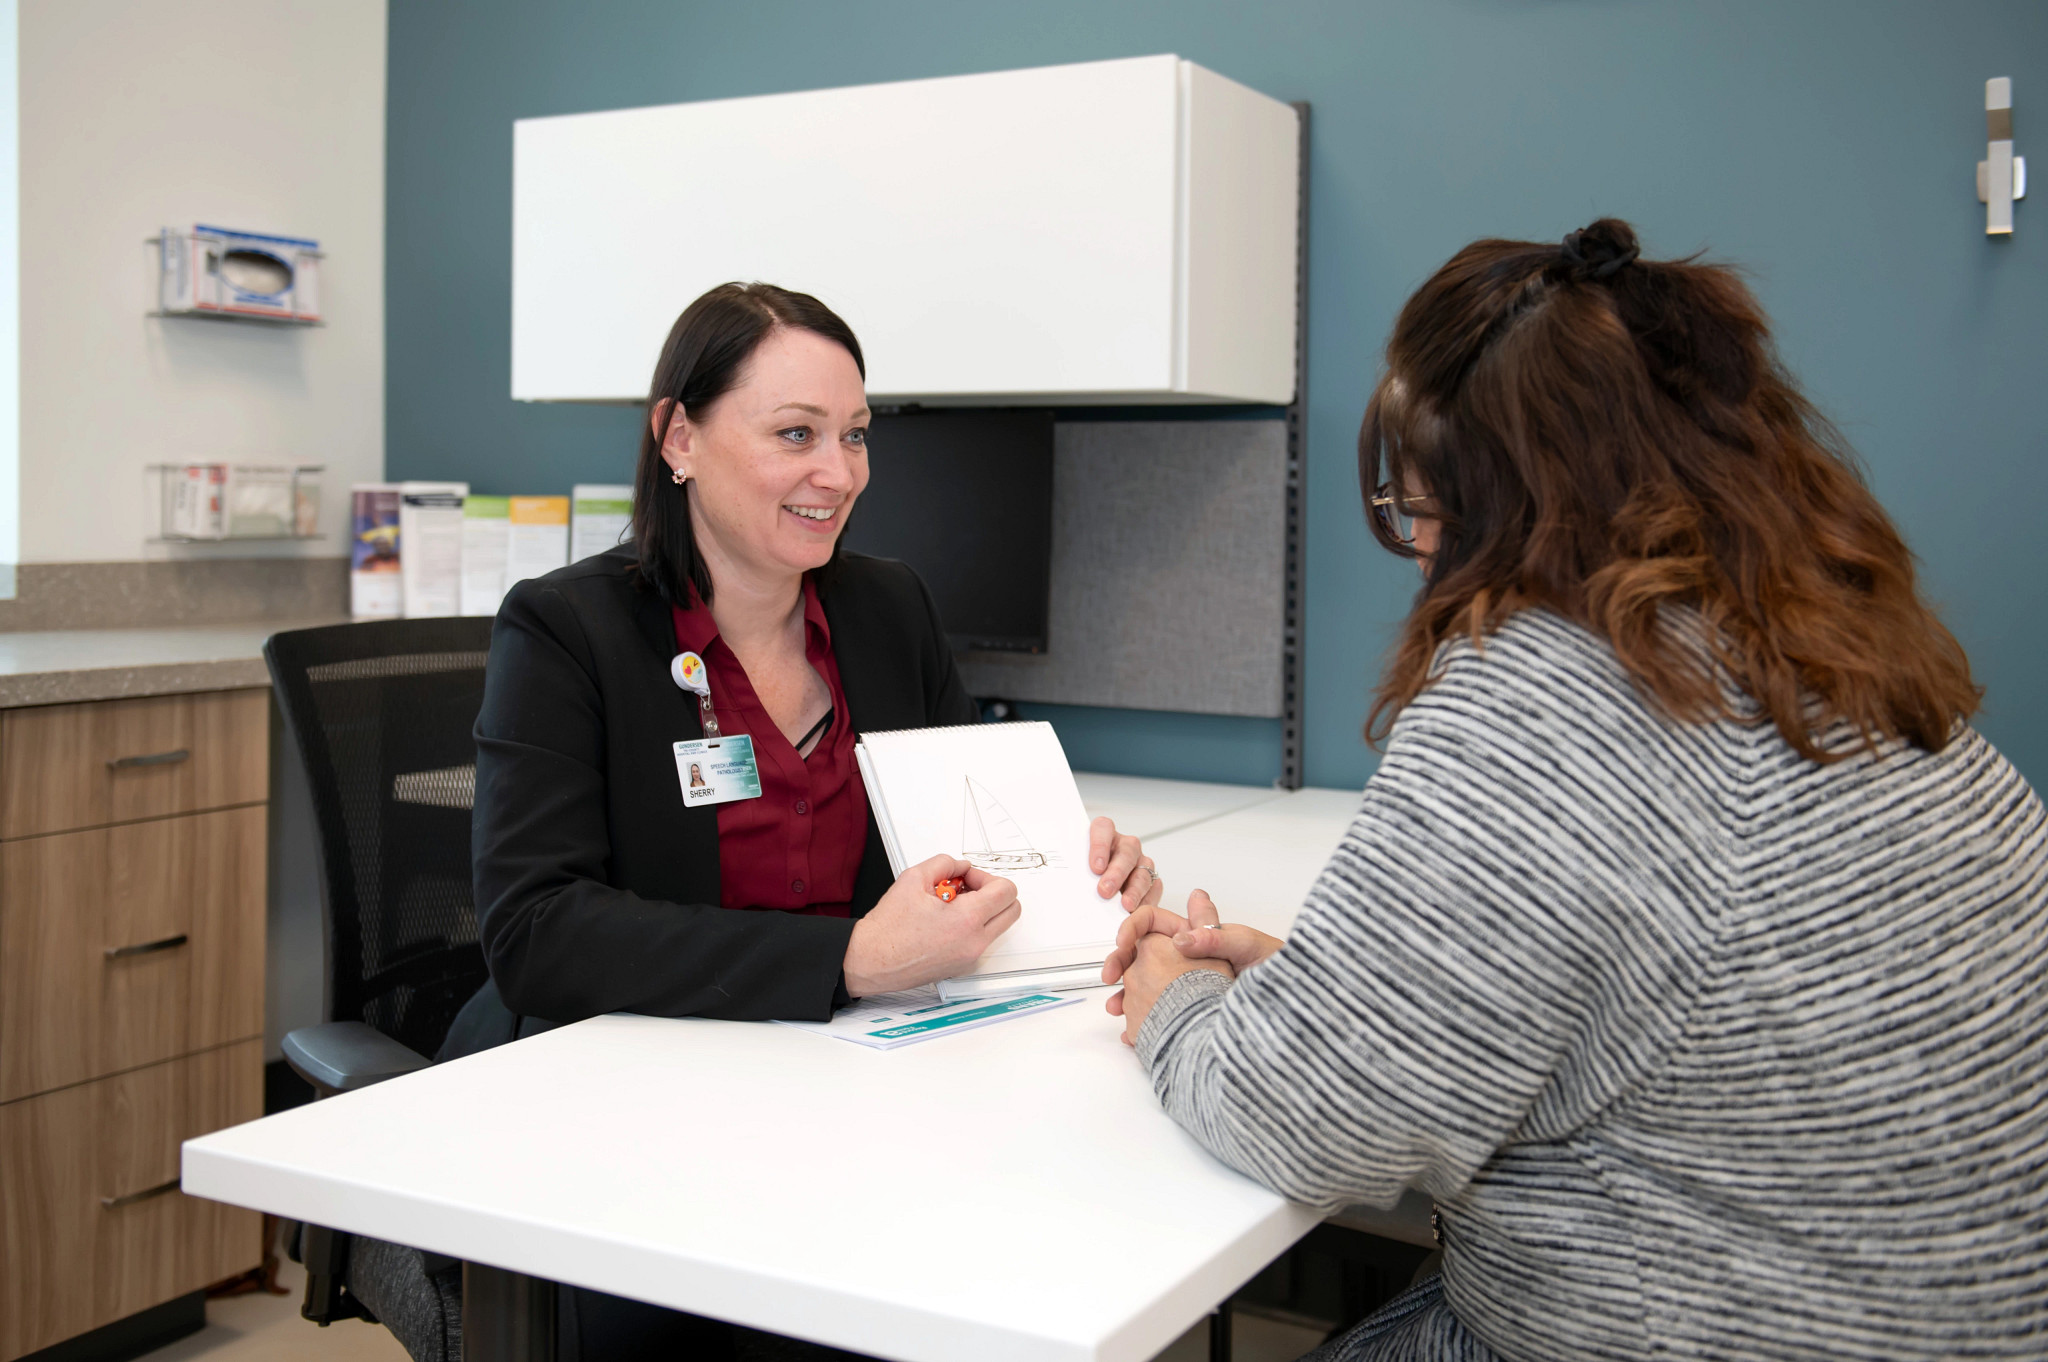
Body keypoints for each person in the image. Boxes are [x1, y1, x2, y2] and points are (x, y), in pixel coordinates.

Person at [1105, 220, 2048, 1360]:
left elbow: (1308, 1123)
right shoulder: (1838, 659)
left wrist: (1175, 1003)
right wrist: (1340, 994)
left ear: (1488, 496)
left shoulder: (1545, 683)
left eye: (1420, 512)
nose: (1417, 555)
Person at [451, 282, 1163, 1358]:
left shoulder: (886, 608)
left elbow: (959, 836)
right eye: (795, 434)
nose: (838, 474)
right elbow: (536, 932)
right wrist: (849, 957)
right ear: (678, 436)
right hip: (637, 1114)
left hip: (850, 1096)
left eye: (854, 437)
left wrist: (1073, 871)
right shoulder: (567, 630)